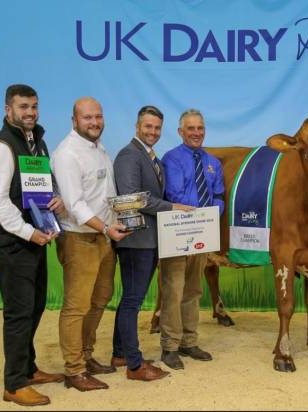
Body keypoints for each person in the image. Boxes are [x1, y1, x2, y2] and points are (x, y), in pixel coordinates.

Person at [0, 84, 65, 406]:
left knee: (35, 306)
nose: (30, 112)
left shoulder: (36, 142)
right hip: (12, 243)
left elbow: (42, 183)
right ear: (8, 110)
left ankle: (28, 368)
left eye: (34, 106)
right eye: (23, 107)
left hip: (35, 239)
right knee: (18, 314)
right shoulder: (1, 147)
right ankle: (13, 384)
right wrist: (28, 232)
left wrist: (55, 198)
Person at [51, 97, 131, 391]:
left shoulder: (99, 149)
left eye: (98, 116)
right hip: (79, 238)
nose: (94, 122)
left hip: (103, 237)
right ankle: (74, 371)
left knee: (99, 300)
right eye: (87, 118)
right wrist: (107, 228)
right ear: (74, 120)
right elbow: (74, 204)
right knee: (76, 306)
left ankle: (85, 357)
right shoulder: (67, 153)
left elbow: (105, 194)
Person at [110, 105, 193, 381]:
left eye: (157, 128)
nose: (153, 132)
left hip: (149, 240)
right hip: (136, 241)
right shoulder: (128, 156)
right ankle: (134, 365)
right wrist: (172, 207)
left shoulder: (149, 156)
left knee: (130, 300)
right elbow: (133, 196)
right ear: (137, 127)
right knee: (133, 302)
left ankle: (120, 353)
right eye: (148, 126)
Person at [159, 109, 225, 370]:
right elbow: (172, 194)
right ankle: (170, 346)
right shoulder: (171, 159)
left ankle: (189, 341)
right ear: (180, 131)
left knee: (193, 289)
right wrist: (194, 217)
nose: (196, 133)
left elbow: (218, 194)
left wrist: (212, 215)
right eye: (191, 128)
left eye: (200, 128)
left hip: (202, 233)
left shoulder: (213, 163)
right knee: (173, 289)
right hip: (176, 231)